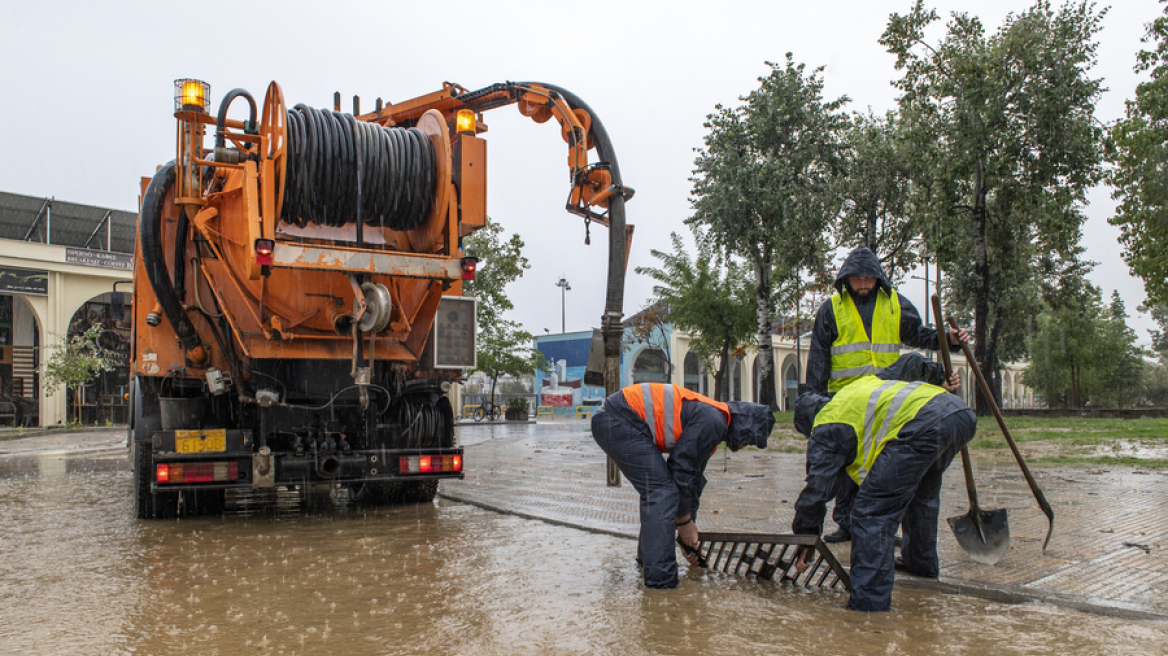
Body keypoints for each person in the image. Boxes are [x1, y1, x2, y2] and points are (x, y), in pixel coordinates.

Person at [805, 247, 969, 543]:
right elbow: (818, 357)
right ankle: (847, 524)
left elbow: (918, 334)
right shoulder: (832, 309)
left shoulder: (895, 304)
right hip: (846, 399)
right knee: (847, 465)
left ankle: (879, 525)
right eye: (858, 279)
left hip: (886, 398)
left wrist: (948, 339)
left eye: (869, 278)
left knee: (881, 464)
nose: (864, 285)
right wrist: (814, 399)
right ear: (846, 279)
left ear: (879, 278)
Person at [790, 352, 976, 612]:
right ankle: (920, 564)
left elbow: (816, 492)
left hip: (921, 426)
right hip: (958, 413)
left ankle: (869, 603)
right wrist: (937, 375)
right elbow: (909, 362)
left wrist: (805, 539)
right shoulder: (855, 390)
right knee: (921, 496)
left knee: (871, 513)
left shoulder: (826, 423)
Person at [590, 382, 775, 589]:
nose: (744, 446)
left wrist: (687, 537)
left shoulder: (713, 422)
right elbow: (680, 469)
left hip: (616, 418)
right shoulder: (713, 421)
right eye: (749, 441)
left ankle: (648, 565)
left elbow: (691, 481)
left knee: (660, 491)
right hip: (618, 418)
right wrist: (684, 522)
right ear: (744, 428)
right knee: (661, 491)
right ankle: (662, 586)